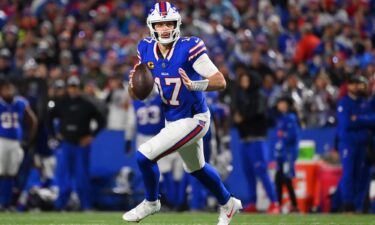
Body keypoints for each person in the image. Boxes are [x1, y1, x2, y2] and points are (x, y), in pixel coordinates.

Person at [122, 2, 242, 225]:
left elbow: (220, 81)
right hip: (173, 120)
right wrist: (133, 86)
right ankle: (228, 203)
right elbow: (136, 93)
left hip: (195, 118)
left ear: (177, 24)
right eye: (160, 24)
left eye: (169, 23)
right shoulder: (145, 48)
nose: (165, 28)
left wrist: (195, 85)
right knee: (196, 168)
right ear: (152, 27)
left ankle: (151, 202)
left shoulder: (190, 46)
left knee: (144, 155)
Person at [48, 76, 105, 210]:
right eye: (71, 87)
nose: (73, 90)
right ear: (68, 88)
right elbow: (48, 119)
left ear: (78, 88)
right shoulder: (61, 103)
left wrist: (91, 136)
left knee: (82, 176)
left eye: (75, 87)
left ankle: (86, 205)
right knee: (64, 176)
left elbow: (101, 120)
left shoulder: (87, 104)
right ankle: (60, 205)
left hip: (81, 144)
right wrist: (54, 135)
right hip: (66, 144)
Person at [0, 79, 38, 209]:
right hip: (2, 140)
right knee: (1, 172)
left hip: (16, 142)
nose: (8, 91)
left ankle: (6, 203)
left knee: (11, 173)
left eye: (10, 88)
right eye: (5, 89)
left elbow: (33, 120)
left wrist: (28, 139)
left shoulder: (20, 103)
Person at [274, 96, 299, 213]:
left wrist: (283, 138)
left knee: (286, 179)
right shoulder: (281, 118)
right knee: (279, 178)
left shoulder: (291, 118)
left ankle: (294, 206)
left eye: (282, 103)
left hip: (288, 154)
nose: (280, 105)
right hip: (282, 153)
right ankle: (279, 205)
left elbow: (291, 136)